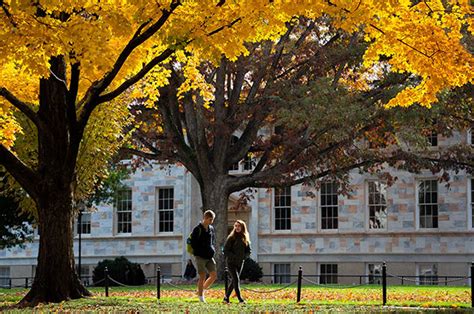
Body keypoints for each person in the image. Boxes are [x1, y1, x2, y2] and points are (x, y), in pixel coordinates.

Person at [190, 209, 217, 302]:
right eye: (210, 219)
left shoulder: (211, 228)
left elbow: (212, 241)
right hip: (200, 256)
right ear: (205, 218)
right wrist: (200, 251)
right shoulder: (197, 229)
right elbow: (193, 244)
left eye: (212, 219)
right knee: (202, 276)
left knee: (213, 275)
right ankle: (201, 297)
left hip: (209, 256)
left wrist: (212, 250)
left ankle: (200, 290)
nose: (211, 221)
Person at [223, 219, 251, 304]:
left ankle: (226, 298)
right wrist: (234, 256)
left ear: (242, 227)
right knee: (236, 279)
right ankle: (240, 299)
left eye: (239, 226)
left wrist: (244, 257)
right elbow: (226, 250)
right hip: (231, 262)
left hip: (240, 262)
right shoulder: (231, 238)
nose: (237, 227)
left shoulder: (245, 237)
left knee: (234, 281)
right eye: (235, 226)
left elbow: (248, 251)